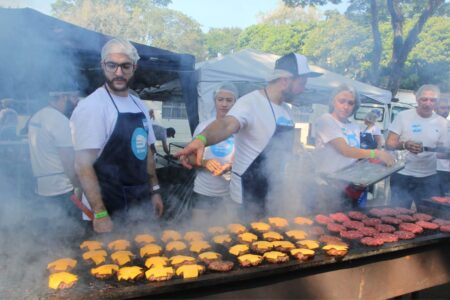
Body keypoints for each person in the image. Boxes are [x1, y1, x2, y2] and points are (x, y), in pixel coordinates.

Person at [176, 53, 321, 219]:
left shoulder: (286, 110)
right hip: (247, 196)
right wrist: (201, 139)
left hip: (274, 192)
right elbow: (227, 124)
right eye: (301, 83)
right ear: (285, 80)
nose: (303, 89)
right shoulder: (250, 103)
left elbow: (285, 149)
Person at [70, 38, 163, 233]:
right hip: (107, 207)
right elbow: (82, 164)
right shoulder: (93, 106)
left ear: (134, 67)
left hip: (138, 202)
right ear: (103, 65)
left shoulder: (139, 104)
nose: (118, 73)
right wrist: (100, 212)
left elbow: (146, 151)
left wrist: (154, 191)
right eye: (112, 65)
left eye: (125, 66)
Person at [314, 84, 395, 209]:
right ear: (333, 101)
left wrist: (375, 166)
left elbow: (355, 156)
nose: (345, 106)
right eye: (341, 101)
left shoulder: (354, 127)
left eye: (350, 103)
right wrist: (377, 153)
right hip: (328, 186)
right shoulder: (326, 120)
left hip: (349, 186)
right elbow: (345, 150)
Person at [27, 90, 82, 245]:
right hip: (62, 190)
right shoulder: (59, 120)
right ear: (62, 97)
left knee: (49, 234)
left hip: (41, 188)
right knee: (70, 235)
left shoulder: (35, 118)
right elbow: (68, 161)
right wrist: (78, 186)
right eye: (70, 97)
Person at [386, 84, 448, 208]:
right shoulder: (403, 116)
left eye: (432, 100)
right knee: (397, 215)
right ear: (417, 99)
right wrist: (405, 144)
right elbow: (389, 143)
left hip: (429, 178)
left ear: (436, 102)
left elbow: (441, 152)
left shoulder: (443, 123)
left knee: (429, 216)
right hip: (402, 174)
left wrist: (445, 152)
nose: (428, 103)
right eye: (424, 99)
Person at [191, 82, 238, 222]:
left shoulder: (241, 129)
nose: (224, 104)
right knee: (198, 235)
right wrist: (205, 163)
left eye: (229, 100)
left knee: (226, 236)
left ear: (236, 102)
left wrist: (231, 166)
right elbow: (189, 158)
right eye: (220, 99)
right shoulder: (203, 127)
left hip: (230, 194)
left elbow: (247, 158)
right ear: (214, 101)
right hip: (203, 190)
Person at [434, 95, 450, 196]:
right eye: (443, 107)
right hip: (433, 169)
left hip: (447, 170)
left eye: (448, 108)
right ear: (435, 109)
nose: (446, 110)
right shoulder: (429, 123)